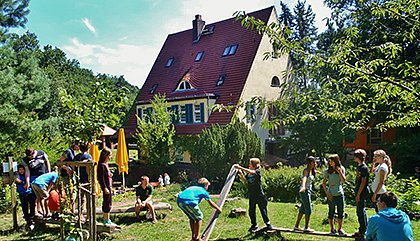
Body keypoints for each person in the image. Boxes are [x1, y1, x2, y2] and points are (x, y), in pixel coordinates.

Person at [234, 158, 273, 232]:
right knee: (251, 211)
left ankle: (268, 224)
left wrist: (240, 167)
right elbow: (245, 181)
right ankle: (254, 225)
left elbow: (252, 172)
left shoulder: (257, 171)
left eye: (250, 164)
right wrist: (240, 173)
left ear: (254, 165)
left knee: (263, 210)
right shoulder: (249, 174)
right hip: (252, 195)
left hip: (259, 195)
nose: (249, 165)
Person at [322, 154, 347, 236]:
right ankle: (332, 229)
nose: (330, 163)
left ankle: (340, 229)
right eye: (329, 161)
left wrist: (339, 172)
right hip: (331, 193)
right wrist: (327, 194)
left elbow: (343, 181)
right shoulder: (327, 171)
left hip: (340, 193)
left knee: (341, 211)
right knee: (331, 211)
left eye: (331, 161)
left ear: (336, 161)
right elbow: (324, 183)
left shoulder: (342, 168)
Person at [294, 156, 317, 232]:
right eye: (314, 162)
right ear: (310, 163)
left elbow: (313, 174)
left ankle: (296, 226)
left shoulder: (312, 170)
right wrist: (303, 187)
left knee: (302, 209)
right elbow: (304, 178)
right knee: (308, 209)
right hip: (305, 191)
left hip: (308, 191)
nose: (315, 163)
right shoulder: (306, 171)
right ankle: (306, 228)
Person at [74, 143, 92, 220]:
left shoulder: (76, 156)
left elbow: (74, 167)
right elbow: (88, 168)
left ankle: (80, 215)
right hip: (86, 180)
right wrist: (89, 178)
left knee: (81, 198)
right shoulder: (88, 156)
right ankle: (88, 216)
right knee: (89, 198)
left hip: (79, 179)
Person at [353, 149, 369, 238]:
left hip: (362, 192)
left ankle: (363, 231)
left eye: (355, 156)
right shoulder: (359, 166)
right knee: (359, 211)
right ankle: (362, 229)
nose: (354, 157)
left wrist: (358, 194)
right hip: (358, 191)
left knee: (360, 211)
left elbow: (363, 182)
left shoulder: (364, 168)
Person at [97, 147, 115, 225]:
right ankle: (105, 219)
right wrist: (104, 188)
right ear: (106, 155)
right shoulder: (101, 165)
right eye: (110, 155)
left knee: (109, 201)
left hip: (109, 186)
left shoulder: (106, 164)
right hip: (106, 187)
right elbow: (101, 178)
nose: (111, 157)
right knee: (106, 202)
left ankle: (108, 218)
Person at [15, 164, 36, 229]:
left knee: (32, 205)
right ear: (18, 171)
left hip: (29, 192)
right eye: (20, 170)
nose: (21, 171)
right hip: (22, 194)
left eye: (22, 169)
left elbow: (30, 182)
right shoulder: (17, 177)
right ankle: (28, 220)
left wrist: (23, 182)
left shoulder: (27, 176)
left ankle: (32, 217)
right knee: (25, 207)